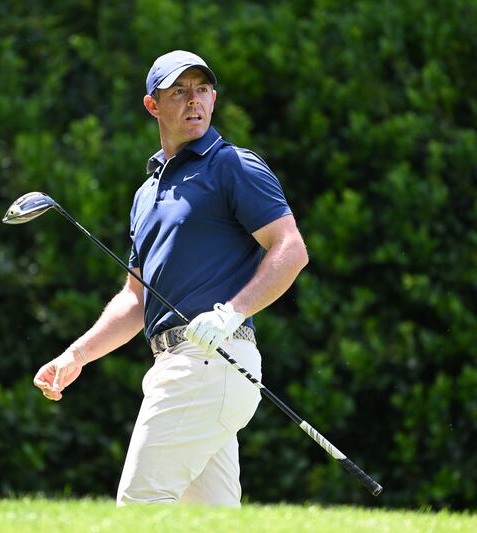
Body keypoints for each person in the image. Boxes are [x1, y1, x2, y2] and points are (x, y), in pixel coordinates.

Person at [32, 50, 309, 507]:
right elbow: (135, 298)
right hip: (182, 367)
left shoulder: (232, 165)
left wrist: (232, 311)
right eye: (178, 91)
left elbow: (291, 248)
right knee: (208, 518)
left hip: (211, 360)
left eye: (201, 89)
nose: (193, 100)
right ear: (153, 106)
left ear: (214, 99)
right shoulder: (147, 194)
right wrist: (76, 355)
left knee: (141, 504)